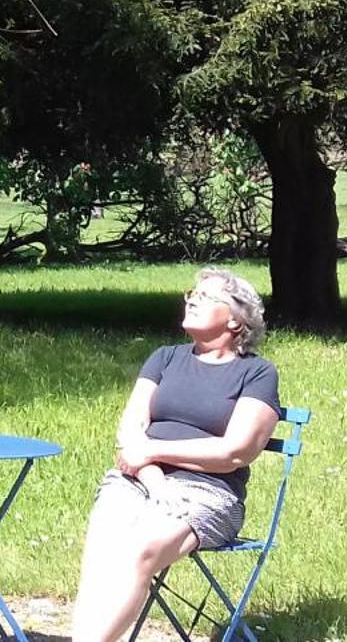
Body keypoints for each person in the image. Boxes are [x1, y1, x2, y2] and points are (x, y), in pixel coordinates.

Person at [68, 268, 281, 642]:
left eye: (206, 295)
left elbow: (235, 452)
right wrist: (152, 476)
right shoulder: (165, 358)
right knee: (100, 552)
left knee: (142, 548)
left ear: (235, 319)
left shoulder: (257, 373)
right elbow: (129, 428)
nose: (192, 299)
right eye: (191, 293)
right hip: (138, 479)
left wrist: (152, 450)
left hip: (209, 493)